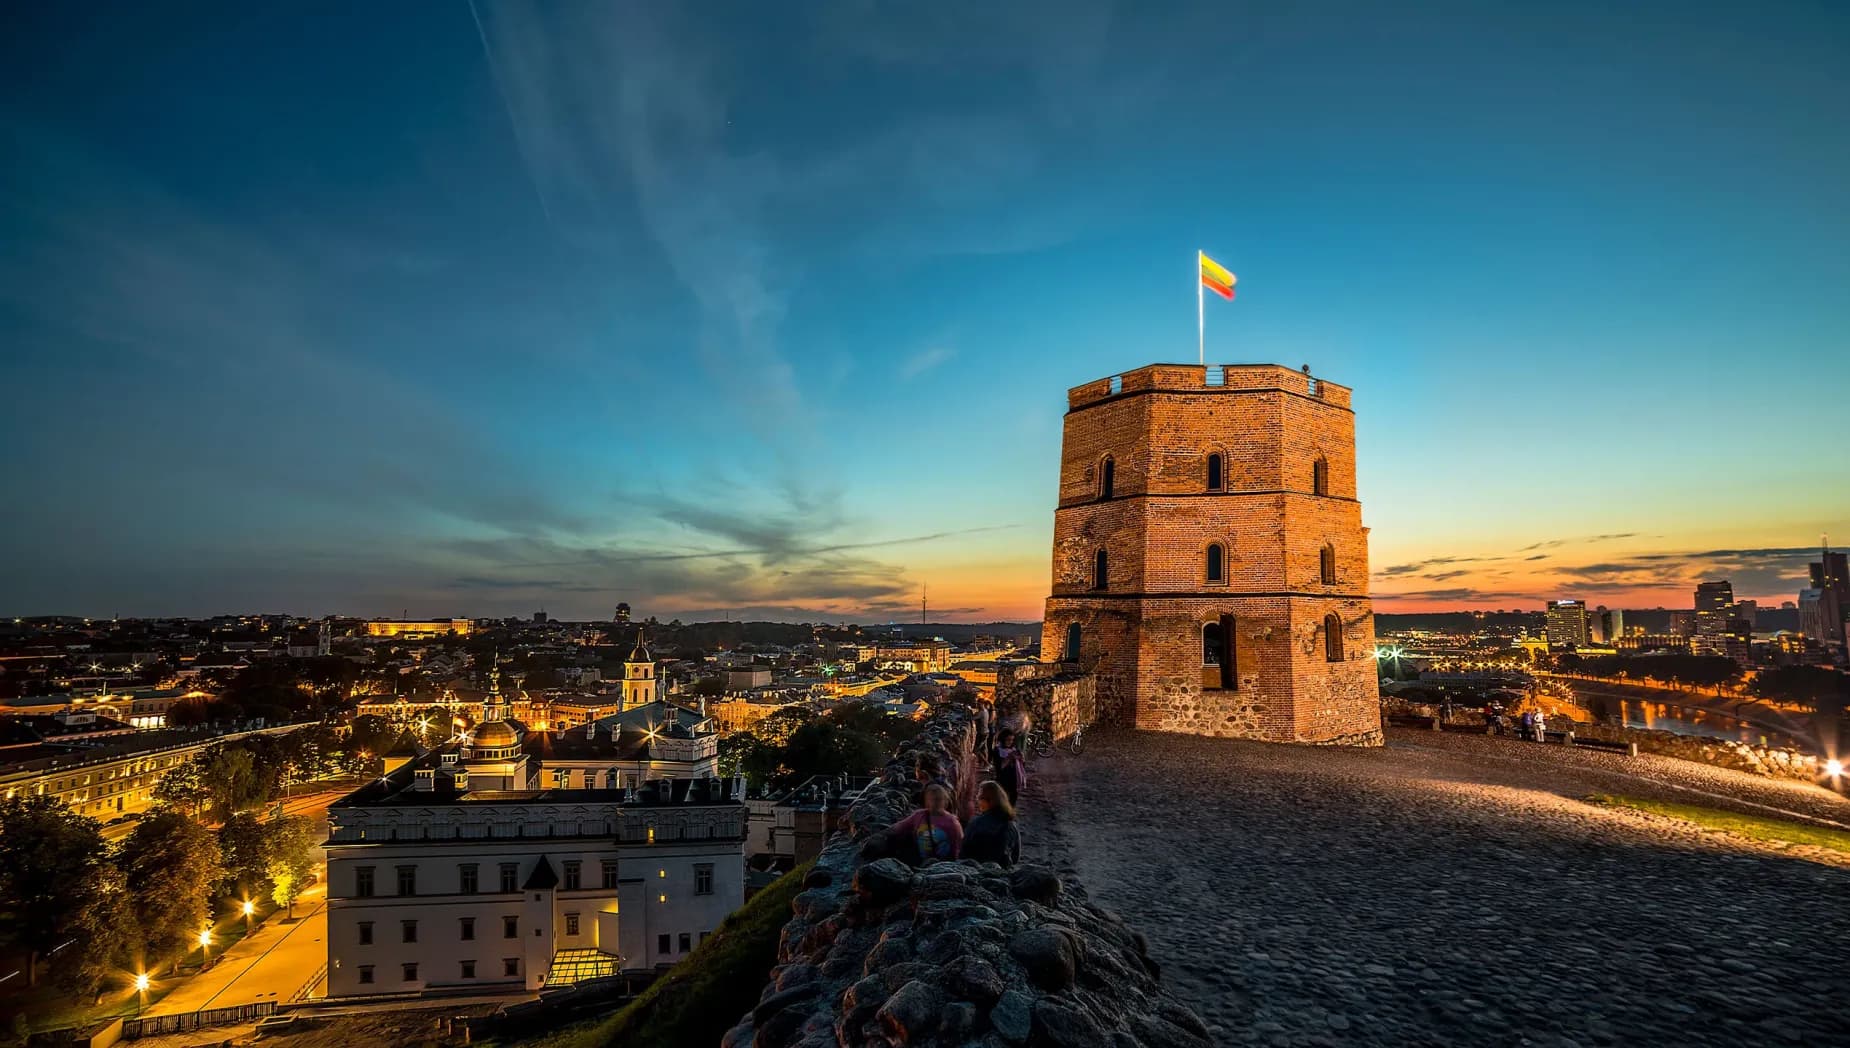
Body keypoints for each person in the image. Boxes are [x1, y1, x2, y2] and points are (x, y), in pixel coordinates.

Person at [887, 782, 962, 866]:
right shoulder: (919, 816)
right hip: (922, 862)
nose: (934, 803)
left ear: (945, 801)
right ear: (926, 800)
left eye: (938, 799)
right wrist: (881, 835)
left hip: (943, 865)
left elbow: (956, 848)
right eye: (931, 799)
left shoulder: (952, 822)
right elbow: (898, 828)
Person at [962, 780, 1021, 867]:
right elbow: (1016, 856)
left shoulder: (975, 823)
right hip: (1001, 873)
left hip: (974, 869)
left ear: (989, 801)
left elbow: (963, 852)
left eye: (979, 798)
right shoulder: (1010, 826)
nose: (977, 801)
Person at [992, 728, 1027, 804]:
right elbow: (999, 767)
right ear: (1002, 739)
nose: (1010, 742)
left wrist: (1022, 759)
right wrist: (1009, 758)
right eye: (1008, 740)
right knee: (1002, 801)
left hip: (1014, 780)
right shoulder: (997, 750)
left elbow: (1022, 767)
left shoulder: (1014, 750)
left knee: (1012, 801)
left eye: (1012, 740)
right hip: (1003, 780)